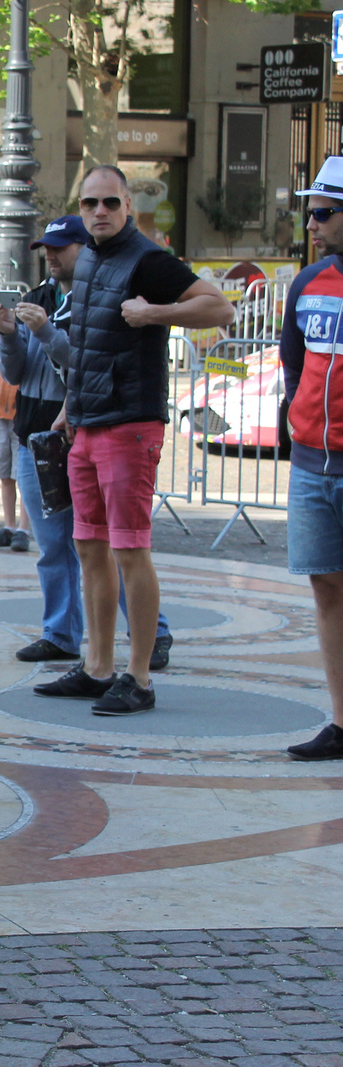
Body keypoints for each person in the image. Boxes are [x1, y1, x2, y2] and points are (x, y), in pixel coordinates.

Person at [36, 165, 233, 715]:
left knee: (129, 549)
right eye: (90, 203)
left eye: (110, 203)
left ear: (129, 207)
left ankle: (139, 677)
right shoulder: (91, 258)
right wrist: (70, 408)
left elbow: (220, 307)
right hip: (88, 425)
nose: (99, 212)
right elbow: (89, 345)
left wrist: (156, 313)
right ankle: (98, 667)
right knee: (89, 548)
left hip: (131, 425)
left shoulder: (148, 259)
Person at [0, 215, 175, 668]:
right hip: (35, 435)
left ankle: (151, 635)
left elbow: (85, 365)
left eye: (60, 247)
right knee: (57, 545)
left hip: (86, 428)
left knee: (113, 544)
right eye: (46, 249)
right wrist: (10, 335)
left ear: (84, 248)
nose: (51, 257)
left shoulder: (99, 300)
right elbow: (15, 374)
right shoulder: (37, 297)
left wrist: (45, 332)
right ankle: (60, 632)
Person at [277, 156, 343, 759]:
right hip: (311, 465)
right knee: (326, 586)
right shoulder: (307, 282)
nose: (312, 224)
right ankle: (341, 722)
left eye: (323, 212)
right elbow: (294, 365)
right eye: (310, 212)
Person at [0, 335, 30, 550]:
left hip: (22, 416)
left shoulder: (28, 342)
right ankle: (9, 525)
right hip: (1, 417)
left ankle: (23, 529)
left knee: (23, 476)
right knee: (5, 474)